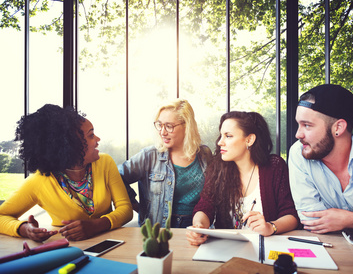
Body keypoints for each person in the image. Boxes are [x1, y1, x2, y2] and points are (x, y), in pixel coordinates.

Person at [0, 104, 133, 242]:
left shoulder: (105, 163)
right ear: (71, 145)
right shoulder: (39, 181)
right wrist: (25, 229)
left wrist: (95, 226)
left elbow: (125, 209)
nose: (98, 140)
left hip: (111, 245)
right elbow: (1, 216)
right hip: (67, 250)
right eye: (91, 135)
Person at [187, 111, 299, 246]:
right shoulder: (217, 167)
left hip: (267, 247)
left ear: (249, 139)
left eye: (228, 136)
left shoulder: (274, 166)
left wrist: (271, 227)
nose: (220, 142)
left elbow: (291, 215)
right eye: (221, 135)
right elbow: (205, 206)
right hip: (227, 247)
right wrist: (199, 226)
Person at [118, 99, 212, 228]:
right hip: (159, 229)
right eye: (160, 125)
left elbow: (212, 195)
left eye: (169, 126)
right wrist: (134, 205)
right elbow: (117, 177)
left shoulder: (204, 154)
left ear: (187, 126)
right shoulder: (148, 156)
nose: (162, 132)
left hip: (197, 226)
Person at [288, 84, 353, 234]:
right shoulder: (299, 153)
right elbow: (312, 221)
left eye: (307, 125)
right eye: (298, 124)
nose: (298, 134)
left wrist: (348, 219)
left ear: (338, 128)